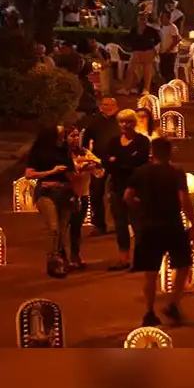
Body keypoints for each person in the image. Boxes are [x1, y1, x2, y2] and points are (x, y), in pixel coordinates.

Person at [124, 137, 194, 327]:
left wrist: (141, 207)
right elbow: (183, 199)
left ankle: (149, 311)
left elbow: (128, 197)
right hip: (172, 224)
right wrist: (192, 221)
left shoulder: (140, 172)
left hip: (148, 226)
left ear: (151, 153)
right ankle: (173, 303)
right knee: (182, 264)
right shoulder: (176, 173)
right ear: (169, 153)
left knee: (150, 272)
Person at [101, 109, 151, 271]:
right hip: (116, 188)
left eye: (129, 121)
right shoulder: (113, 142)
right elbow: (106, 163)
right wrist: (120, 163)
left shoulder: (142, 141)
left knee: (138, 225)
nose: (125, 125)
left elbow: (139, 163)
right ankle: (124, 259)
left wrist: (117, 161)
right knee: (120, 225)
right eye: (122, 122)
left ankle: (141, 259)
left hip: (136, 189)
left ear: (134, 123)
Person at [24, 126, 76, 279]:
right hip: (46, 193)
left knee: (61, 229)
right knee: (53, 228)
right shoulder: (38, 152)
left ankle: (60, 260)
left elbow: (71, 173)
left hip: (65, 192)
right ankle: (53, 261)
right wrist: (51, 172)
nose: (62, 138)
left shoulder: (64, 150)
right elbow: (29, 174)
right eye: (59, 135)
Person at [77, 97, 119, 236]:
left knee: (119, 192)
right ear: (100, 107)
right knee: (96, 193)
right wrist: (88, 160)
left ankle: (121, 223)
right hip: (99, 162)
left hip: (120, 162)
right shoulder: (93, 123)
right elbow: (84, 144)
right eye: (105, 104)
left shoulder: (121, 121)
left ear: (116, 106)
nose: (108, 107)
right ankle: (99, 225)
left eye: (111, 104)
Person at [66, 126, 103, 271]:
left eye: (77, 136)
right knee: (62, 228)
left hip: (83, 194)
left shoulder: (85, 152)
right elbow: (70, 171)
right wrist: (81, 167)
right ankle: (62, 257)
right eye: (72, 136)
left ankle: (75, 255)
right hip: (67, 195)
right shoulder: (62, 155)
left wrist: (93, 166)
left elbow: (99, 168)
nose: (75, 139)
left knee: (76, 228)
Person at [120, 14, 161, 96]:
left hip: (147, 51)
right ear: (138, 20)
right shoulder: (134, 30)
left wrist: (154, 51)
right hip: (136, 51)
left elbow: (158, 40)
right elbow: (129, 39)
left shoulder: (151, 30)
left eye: (144, 19)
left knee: (147, 71)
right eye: (140, 19)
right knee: (130, 70)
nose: (142, 21)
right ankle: (127, 88)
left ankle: (146, 89)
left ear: (146, 20)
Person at [156, 11, 182, 83]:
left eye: (164, 17)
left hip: (170, 52)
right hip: (162, 51)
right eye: (161, 17)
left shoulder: (172, 27)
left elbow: (176, 39)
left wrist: (169, 49)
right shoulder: (160, 27)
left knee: (169, 69)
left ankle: (171, 84)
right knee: (163, 69)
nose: (162, 19)